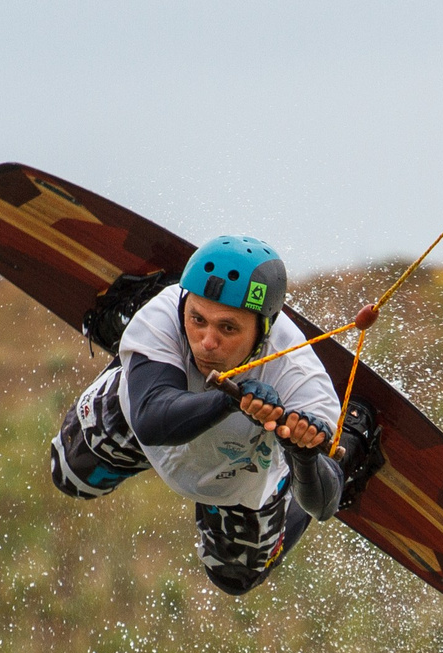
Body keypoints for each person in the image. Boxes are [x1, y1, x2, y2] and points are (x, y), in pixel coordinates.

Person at [49, 235, 350, 595]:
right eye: (198, 319)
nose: (207, 341)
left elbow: (324, 505)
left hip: (238, 473)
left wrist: (303, 454)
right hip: (147, 411)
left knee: (234, 579)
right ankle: (127, 327)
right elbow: (151, 420)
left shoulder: (298, 378)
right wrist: (232, 398)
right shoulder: (164, 312)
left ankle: (355, 439)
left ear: (263, 330)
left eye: (228, 328)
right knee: (70, 475)